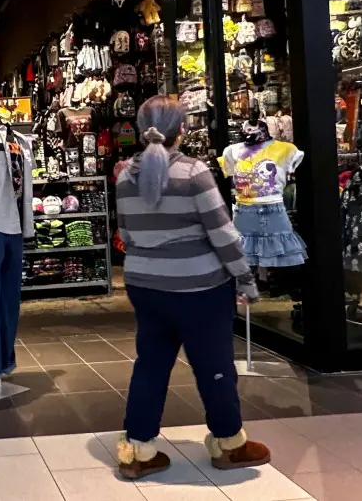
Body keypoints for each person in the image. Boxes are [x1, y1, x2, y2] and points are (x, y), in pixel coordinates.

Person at [113, 95, 271, 480]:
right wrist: (246, 279)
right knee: (214, 365)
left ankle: (138, 449)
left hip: (144, 285)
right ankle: (229, 444)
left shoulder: (124, 175)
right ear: (181, 129)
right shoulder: (193, 172)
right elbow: (223, 235)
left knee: (150, 364)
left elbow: (126, 235)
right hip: (198, 288)